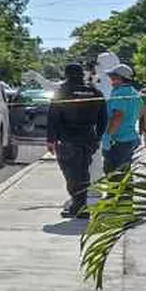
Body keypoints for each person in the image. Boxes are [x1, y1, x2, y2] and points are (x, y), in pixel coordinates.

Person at [46, 62, 108, 218]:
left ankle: (79, 206)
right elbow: (103, 119)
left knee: (71, 173)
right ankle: (80, 205)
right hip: (88, 137)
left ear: (66, 75)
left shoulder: (62, 92)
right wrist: (98, 137)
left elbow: (53, 118)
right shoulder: (95, 92)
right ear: (82, 74)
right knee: (83, 172)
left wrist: (50, 140)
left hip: (67, 139)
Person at [98, 64, 143, 182]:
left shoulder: (120, 93)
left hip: (118, 140)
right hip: (130, 136)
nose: (111, 80)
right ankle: (126, 197)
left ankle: (117, 198)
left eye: (113, 77)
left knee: (114, 172)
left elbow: (118, 116)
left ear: (120, 78)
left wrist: (108, 136)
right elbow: (141, 112)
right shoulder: (134, 92)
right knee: (125, 171)